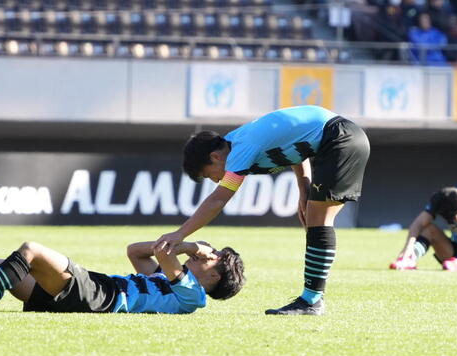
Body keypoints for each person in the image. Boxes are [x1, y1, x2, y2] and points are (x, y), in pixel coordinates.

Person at [155, 106, 370, 316]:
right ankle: (312, 298)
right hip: (340, 137)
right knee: (316, 220)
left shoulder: (240, 148)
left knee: (319, 220)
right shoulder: (237, 142)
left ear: (215, 157)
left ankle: (312, 300)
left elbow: (218, 200)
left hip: (338, 139)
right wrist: (303, 188)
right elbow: (296, 148)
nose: (216, 180)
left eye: (210, 175)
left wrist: (179, 234)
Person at [0, 238, 244, 313]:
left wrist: (189, 244)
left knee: (32, 250)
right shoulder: (167, 280)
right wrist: (186, 249)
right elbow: (135, 251)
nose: (204, 256)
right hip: (96, 292)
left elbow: (162, 251)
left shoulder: (193, 296)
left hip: (104, 297)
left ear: (214, 278)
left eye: (211, 259)